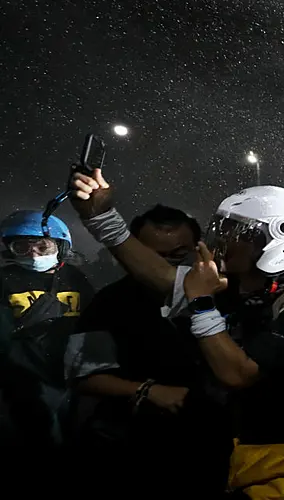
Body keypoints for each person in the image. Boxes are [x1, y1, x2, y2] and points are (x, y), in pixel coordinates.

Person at [69, 169, 284, 499]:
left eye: (236, 231)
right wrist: (102, 218)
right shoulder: (246, 289)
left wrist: (202, 302)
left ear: (279, 237)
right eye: (222, 226)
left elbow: (238, 373)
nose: (220, 238)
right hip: (239, 462)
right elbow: (164, 277)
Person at [65, 205, 231, 498]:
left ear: (198, 249)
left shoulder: (226, 297)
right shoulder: (109, 303)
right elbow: (83, 375)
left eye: (178, 255)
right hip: (131, 445)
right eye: (151, 255)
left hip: (212, 446)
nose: (163, 265)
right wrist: (146, 390)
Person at [0, 210, 94, 495]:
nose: (33, 253)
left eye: (43, 245)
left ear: (60, 246)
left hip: (72, 377)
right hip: (21, 378)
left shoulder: (75, 278)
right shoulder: (4, 280)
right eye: (22, 246)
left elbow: (92, 321)